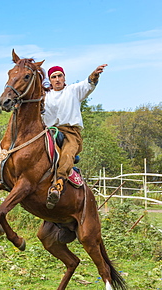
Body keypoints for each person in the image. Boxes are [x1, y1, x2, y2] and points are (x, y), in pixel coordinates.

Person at [42, 63, 107, 209]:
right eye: (54, 77)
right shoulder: (45, 96)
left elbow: (88, 84)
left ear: (64, 77)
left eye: (60, 76)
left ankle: (57, 185)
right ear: (50, 80)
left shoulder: (73, 90)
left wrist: (94, 74)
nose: (57, 79)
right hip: (48, 132)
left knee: (67, 153)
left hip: (70, 132)